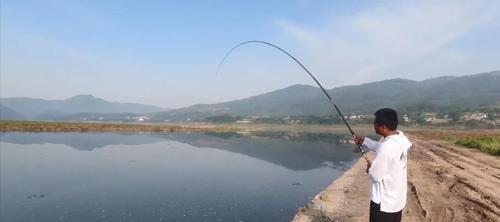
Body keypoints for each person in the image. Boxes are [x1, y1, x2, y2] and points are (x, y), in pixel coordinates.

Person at [354, 108, 412, 222]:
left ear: (383, 127)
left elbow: (376, 176)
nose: (374, 125)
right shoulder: (400, 138)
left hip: (384, 204)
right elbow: (381, 147)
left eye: (375, 123)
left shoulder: (386, 148)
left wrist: (370, 169)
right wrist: (365, 141)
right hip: (397, 200)